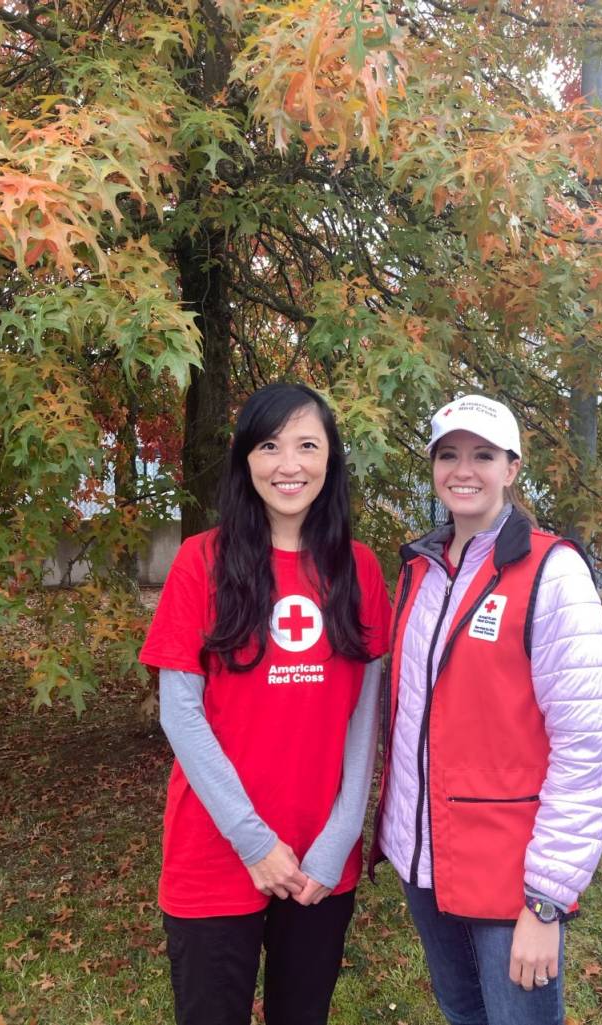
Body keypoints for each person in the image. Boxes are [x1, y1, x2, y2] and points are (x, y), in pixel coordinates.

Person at [139, 382, 391, 1025]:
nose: (289, 465)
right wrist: (254, 843)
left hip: (319, 861)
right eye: (270, 445)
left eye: (308, 446)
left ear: (330, 459)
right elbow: (181, 713)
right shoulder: (201, 561)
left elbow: (366, 717)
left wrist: (338, 843)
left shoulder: (359, 570)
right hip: (215, 850)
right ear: (246, 459)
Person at [370, 394, 602, 1025]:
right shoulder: (421, 570)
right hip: (426, 859)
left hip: (511, 879)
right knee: (462, 1013)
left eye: (483, 455)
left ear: (512, 468)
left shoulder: (552, 573)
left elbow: (583, 751)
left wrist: (545, 902)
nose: (464, 470)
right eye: (448, 454)